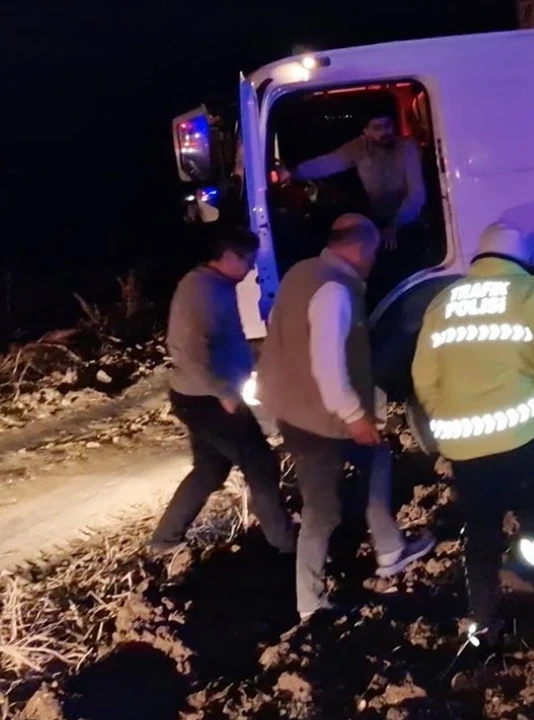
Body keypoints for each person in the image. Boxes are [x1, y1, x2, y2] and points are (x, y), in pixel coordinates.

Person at [412, 222, 534, 645]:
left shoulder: (443, 300)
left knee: (480, 527)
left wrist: (446, 418)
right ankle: (529, 553)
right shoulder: (532, 292)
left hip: (461, 441)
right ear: (522, 258)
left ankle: (482, 621)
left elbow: (422, 376)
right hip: (520, 433)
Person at [257, 214, 435, 620]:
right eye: (371, 253)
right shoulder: (335, 292)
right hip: (317, 418)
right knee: (322, 511)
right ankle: (310, 602)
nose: (373, 261)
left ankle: (390, 548)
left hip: (290, 404)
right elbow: (328, 366)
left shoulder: (302, 271)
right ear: (357, 248)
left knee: (377, 456)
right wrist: (354, 415)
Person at [151, 228, 295, 555]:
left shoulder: (217, 286)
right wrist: (223, 392)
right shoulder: (201, 290)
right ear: (229, 256)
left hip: (203, 397)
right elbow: (186, 350)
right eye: (248, 260)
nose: (251, 268)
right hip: (208, 400)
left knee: (210, 469)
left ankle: (165, 539)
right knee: (261, 463)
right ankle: (285, 544)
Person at [280, 100, 426, 252]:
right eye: (377, 128)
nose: (385, 132)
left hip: (412, 220)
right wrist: (293, 173)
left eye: (388, 125)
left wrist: (396, 224)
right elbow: (328, 162)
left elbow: (416, 194)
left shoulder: (407, 147)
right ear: (366, 131)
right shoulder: (359, 147)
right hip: (381, 219)